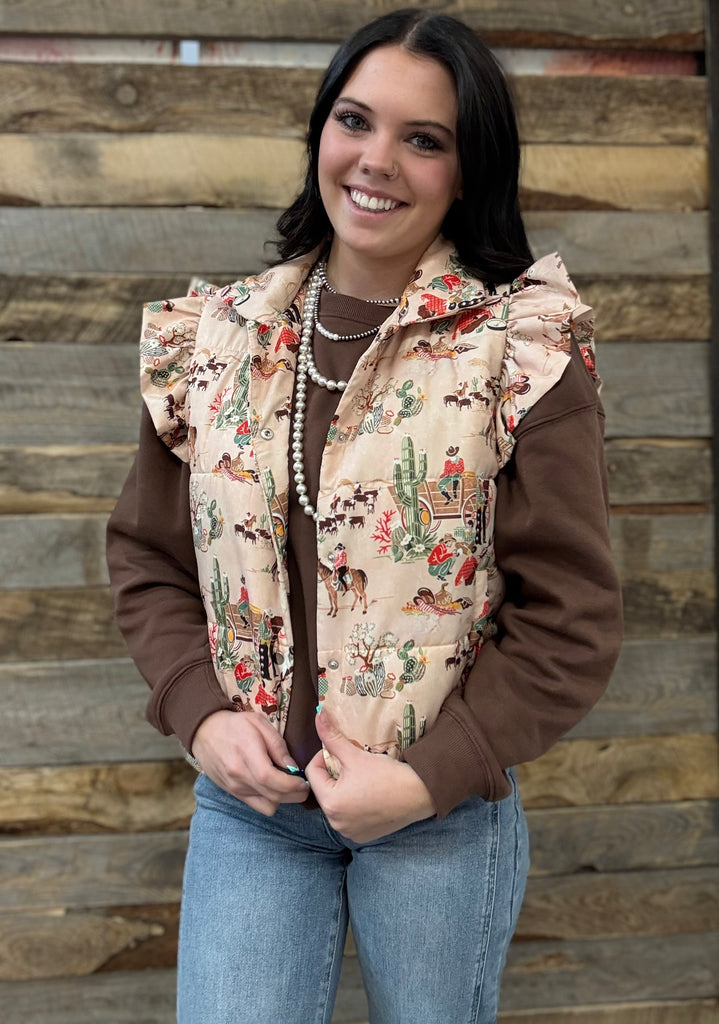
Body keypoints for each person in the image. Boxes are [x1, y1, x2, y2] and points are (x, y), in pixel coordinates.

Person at [106, 9, 623, 1023]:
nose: (375, 160)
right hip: (252, 811)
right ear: (320, 134)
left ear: (466, 171)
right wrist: (199, 713)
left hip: (437, 817)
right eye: (354, 120)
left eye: (422, 139)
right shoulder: (216, 343)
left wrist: (431, 777)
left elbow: (571, 617)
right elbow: (148, 558)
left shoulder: (521, 354)